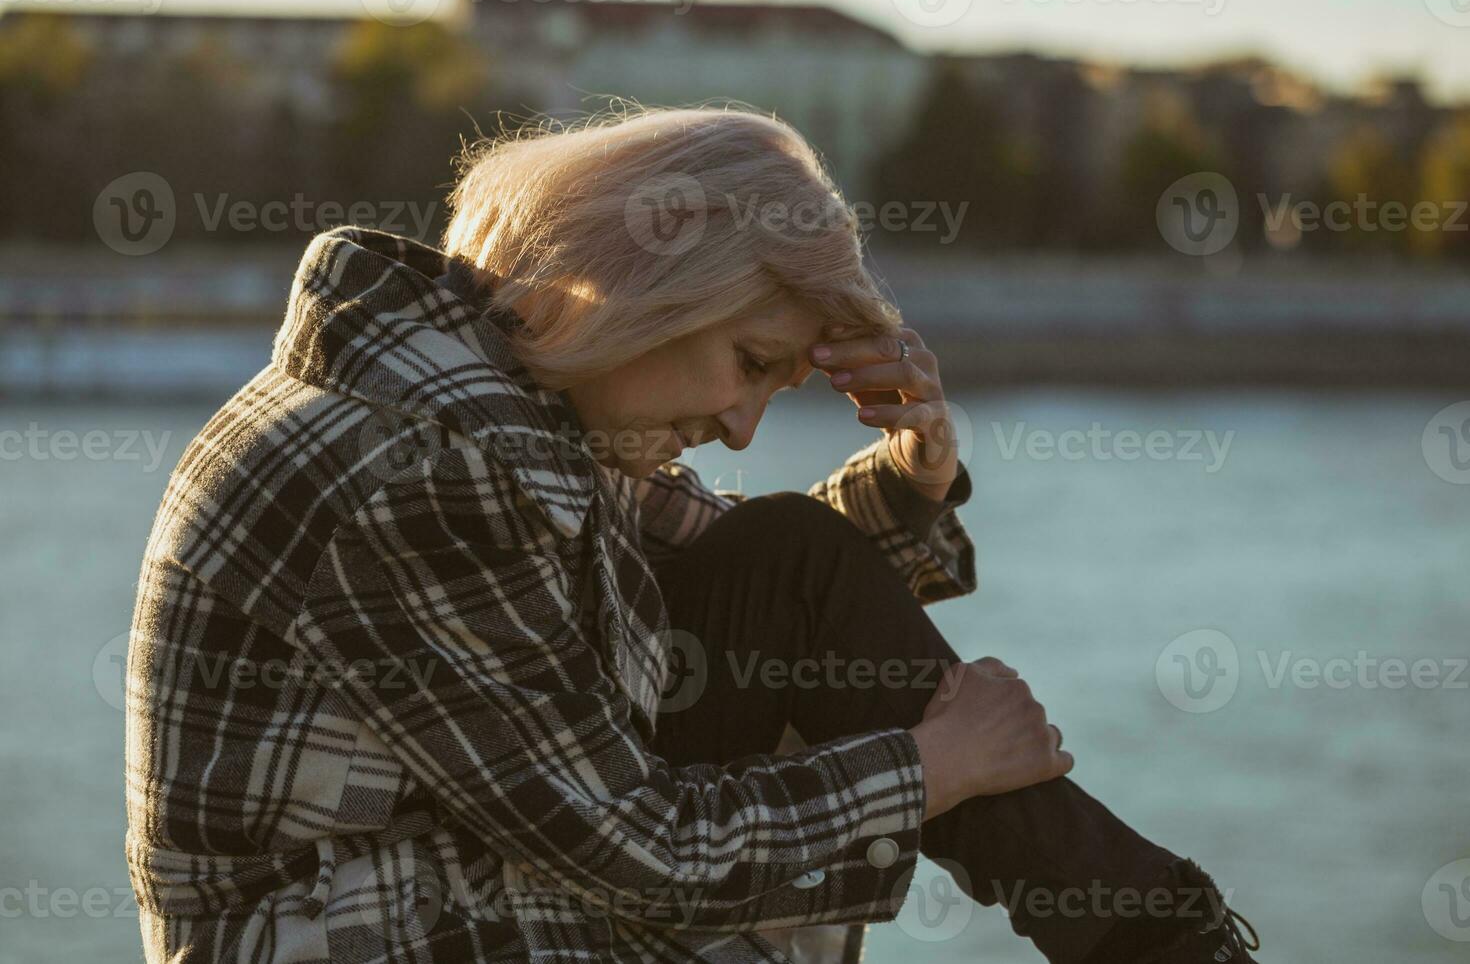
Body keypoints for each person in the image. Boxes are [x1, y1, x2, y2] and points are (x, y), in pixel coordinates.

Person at [124, 105, 1260, 963]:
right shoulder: (425, 470)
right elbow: (642, 846)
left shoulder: (489, 394)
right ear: (647, 286)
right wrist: (933, 767)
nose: (740, 423)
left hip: (431, 868)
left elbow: (767, 576)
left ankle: (1155, 932)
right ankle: (1163, 937)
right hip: (343, 932)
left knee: (792, 555)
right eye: (751, 364)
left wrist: (919, 473)